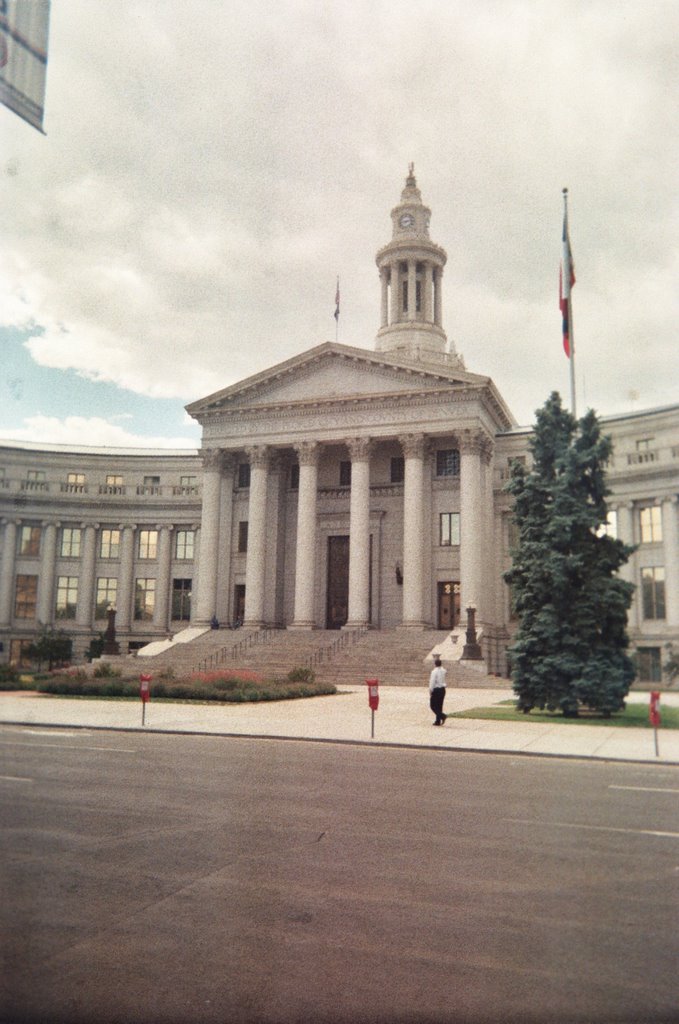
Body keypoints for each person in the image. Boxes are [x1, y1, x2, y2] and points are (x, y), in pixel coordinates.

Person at [429, 656, 447, 726]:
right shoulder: (443, 670)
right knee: (439, 706)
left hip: (436, 689)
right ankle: (438, 721)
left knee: (432, 705)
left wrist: (430, 690)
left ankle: (443, 716)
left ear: (435, 664)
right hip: (442, 689)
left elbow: (432, 681)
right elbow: (444, 671)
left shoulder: (434, 672)